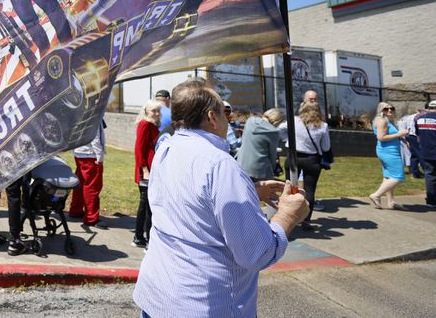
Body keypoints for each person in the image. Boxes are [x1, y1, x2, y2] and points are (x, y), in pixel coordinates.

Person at [134, 79, 309, 317]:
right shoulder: (220, 165)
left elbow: (184, 199)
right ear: (212, 117)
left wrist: (246, 193)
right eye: (225, 112)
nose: (228, 118)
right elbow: (255, 252)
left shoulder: (167, 148)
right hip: (202, 305)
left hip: (156, 297)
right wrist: (288, 214)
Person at [294, 101, 331, 229]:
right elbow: (326, 147)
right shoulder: (323, 126)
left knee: (291, 188)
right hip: (312, 159)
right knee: (310, 190)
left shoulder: (294, 121)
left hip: (294, 156)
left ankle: (289, 216)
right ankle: (306, 220)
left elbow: (282, 132)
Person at [368, 102, 408, 210]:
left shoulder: (384, 120)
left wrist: (401, 138)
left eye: (391, 108)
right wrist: (400, 134)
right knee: (398, 177)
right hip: (388, 152)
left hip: (387, 151)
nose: (389, 110)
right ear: (381, 110)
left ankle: (391, 202)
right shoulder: (382, 121)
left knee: (388, 176)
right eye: (386, 109)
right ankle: (376, 195)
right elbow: (381, 137)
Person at [68, 121, 107, 228]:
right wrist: (99, 156)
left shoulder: (81, 111)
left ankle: (75, 210)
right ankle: (91, 217)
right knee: (92, 186)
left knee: (80, 183)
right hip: (91, 154)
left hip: (80, 152)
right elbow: (94, 137)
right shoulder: (95, 115)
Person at [133, 100, 160, 248]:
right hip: (146, 172)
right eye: (153, 111)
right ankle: (142, 237)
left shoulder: (152, 125)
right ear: (146, 112)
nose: (157, 113)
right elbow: (139, 149)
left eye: (158, 111)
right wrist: (144, 170)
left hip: (150, 170)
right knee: (146, 207)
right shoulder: (145, 125)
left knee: (146, 206)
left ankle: (139, 236)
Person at [236, 108, 286, 181]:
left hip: (241, 164)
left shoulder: (250, 121)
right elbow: (272, 155)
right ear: (277, 121)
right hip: (261, 170)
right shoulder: (273, 132)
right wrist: (274, 168)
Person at [415, 100, 436, 210]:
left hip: (426, 152)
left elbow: (418, 134)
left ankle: (431, 201)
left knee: (430, 176)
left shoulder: (419, 119)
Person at [398, 109, 424, 178]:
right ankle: (427, 171)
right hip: (416, 136)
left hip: (410, 136)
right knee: (420, 154)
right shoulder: (421, 116)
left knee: (414, 155)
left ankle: (414, 172)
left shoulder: (409, 117)